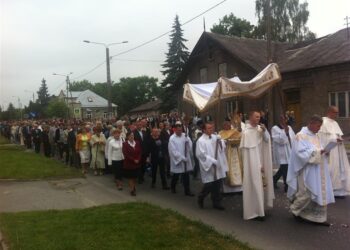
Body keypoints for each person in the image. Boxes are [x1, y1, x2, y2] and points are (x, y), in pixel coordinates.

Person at [287, 115, 335, 226]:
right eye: (318, 126)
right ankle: (296, 211)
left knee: (319, 192)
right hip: (307, 170)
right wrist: (319, 152)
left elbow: (320, 149)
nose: (319, 128)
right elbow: (300, 153)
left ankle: (318, 218)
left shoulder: (316, 136)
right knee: (306, 193)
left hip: (319, 169)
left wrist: (326, 151)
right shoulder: (300, 136)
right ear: (311, 123)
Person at [240, 111, 274, 220]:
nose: (258, 119)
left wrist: (265, 131)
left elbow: (267, 140)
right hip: (251, 164)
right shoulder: (246, 132)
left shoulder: (260, 129)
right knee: (254, 185)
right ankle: (254, 211)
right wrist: (255, 164)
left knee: (261, 186)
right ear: (250, 117)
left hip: (261, 160)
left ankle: (260, 209)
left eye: (259, 117)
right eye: (256, 117)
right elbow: (245, 152)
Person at [318, 106, 350, 198]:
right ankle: (329, 191)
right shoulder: (323, 122)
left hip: (337, 150)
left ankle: (338, 192)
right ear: (329, 112)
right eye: (335, 113)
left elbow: (337, 135)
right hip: (329, 150)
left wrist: (339, 139)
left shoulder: (335, 123)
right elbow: (321, 137)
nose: (337, 114)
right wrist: (325, 148)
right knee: (330, 170)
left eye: (337, 113)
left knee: (338, 170)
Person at [196, 122, 228, 210]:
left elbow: (222, 146)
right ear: (204, 130)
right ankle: (201, 197)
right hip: (209, 165)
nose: (211, 130)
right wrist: (212, 161)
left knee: (217, 183)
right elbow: (201, 154)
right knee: (209, 184)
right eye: (209, 128)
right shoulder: (201, 141)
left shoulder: (214, 137)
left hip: (217, 164)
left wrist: (221, 141)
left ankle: (216, 202)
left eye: (212, 128)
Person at [168, 121, 194, 196]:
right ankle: (173, 186)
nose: (180, 131)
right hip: (178, 160)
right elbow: (173, 151)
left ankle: (187, 190)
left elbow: (190, 147)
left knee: (186, 175)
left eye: (181, 130)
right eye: (178, 130)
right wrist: (182, 158)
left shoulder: (185, 136)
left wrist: (188, 141)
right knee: (176, 175)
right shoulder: (172, 138)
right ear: (175, 130)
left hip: (185, 159)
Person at [272, 115, 296, 192]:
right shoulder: (275, 128)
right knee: (285, 167)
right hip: (281, 151)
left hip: (289, 149)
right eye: (282, 119)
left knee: (284, 167)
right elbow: (278, 140)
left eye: (285, 119)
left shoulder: (289, 127)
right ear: (280, 119)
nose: (284, 120)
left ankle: (274, 179)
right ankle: (286, 186)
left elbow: (293, 137)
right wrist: (285, 133)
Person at [219, 120, 243, 194]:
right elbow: (219, 143)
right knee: (228, 170)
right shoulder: (220, 133)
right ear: (223, 126)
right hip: (226, 153)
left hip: (235, 152)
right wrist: (225, 142)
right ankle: (227, 190)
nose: (227, 126)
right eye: (225, 125)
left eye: (228, 124)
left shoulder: (234, 131)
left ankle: (239, 189)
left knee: (237, 170)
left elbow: (240, 138)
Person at [122, 131, 142, 196]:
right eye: (130, 136)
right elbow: (126, 154)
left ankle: (133, 186)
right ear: (127, 137)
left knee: (134, 177)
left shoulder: (137, 142)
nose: (132, 137)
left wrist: (138, 159)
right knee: (131, 177)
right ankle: (132, 190)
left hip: (136, 163)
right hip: (129, 164)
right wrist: (133, 160)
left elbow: (140, 152)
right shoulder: (125, 144)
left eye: (133, 135)